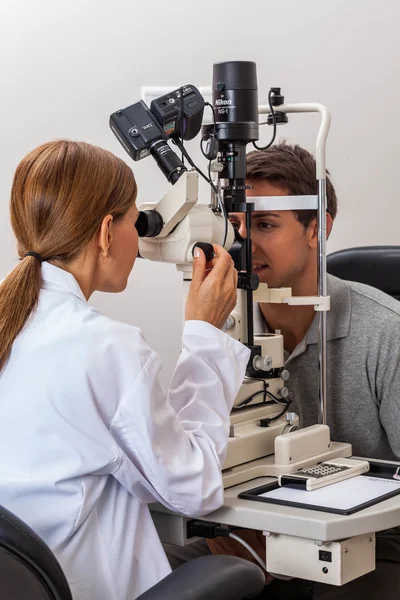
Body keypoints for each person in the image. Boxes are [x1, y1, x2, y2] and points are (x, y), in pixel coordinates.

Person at [0, 140, 251, 600]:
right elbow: (194, 488)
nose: (140, 239)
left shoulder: (12, 325)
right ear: (105, 232)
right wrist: (204, 335)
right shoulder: (105, 346)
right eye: (137, 220)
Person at [205, 142, 400, 599]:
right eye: (234, 226)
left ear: (319, 229)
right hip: (252, 535)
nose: (242, 244)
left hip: (373, 547)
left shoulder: (387, 334)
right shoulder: (221, 328)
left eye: (265, 224)